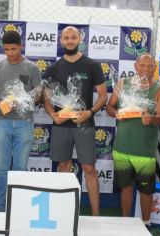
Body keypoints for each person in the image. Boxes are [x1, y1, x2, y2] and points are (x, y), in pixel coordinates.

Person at [44, 26, 107, 216]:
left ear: (80, 39)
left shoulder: (92, 66)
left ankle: (96, 214)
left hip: (84, 124)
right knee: (63, 166)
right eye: (66, 38)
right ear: (61, 41)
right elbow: (47, 99)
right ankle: (62, 212)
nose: (70, 41)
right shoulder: (53, 68)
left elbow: (103, 95)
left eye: (73, 37)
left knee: (89, 168)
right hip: (61, 125)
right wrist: (53, 115)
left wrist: (90, 112)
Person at [106, 53, 160, 230]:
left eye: (150, 66)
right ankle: (126, 222)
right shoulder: (123, 84)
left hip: (144, 151)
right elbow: (110, 106)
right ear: (135, 66)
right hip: (122, 148)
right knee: (125, 187)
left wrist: (152, 119)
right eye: (142, 65)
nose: (146, 69)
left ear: (155, 69)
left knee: (146, 191)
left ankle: (146, 224)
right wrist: (116, 113)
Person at [0, 30, 41, 212]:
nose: (10, 53)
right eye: (7, 49)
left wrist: (24, 101)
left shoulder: (32, 68)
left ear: (21, 46)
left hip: (25, 122)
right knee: (1, 167)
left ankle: (18, 207)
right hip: (2, 121)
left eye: (14, 49)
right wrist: (0, 103)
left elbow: (38, 95)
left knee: (20, 167)